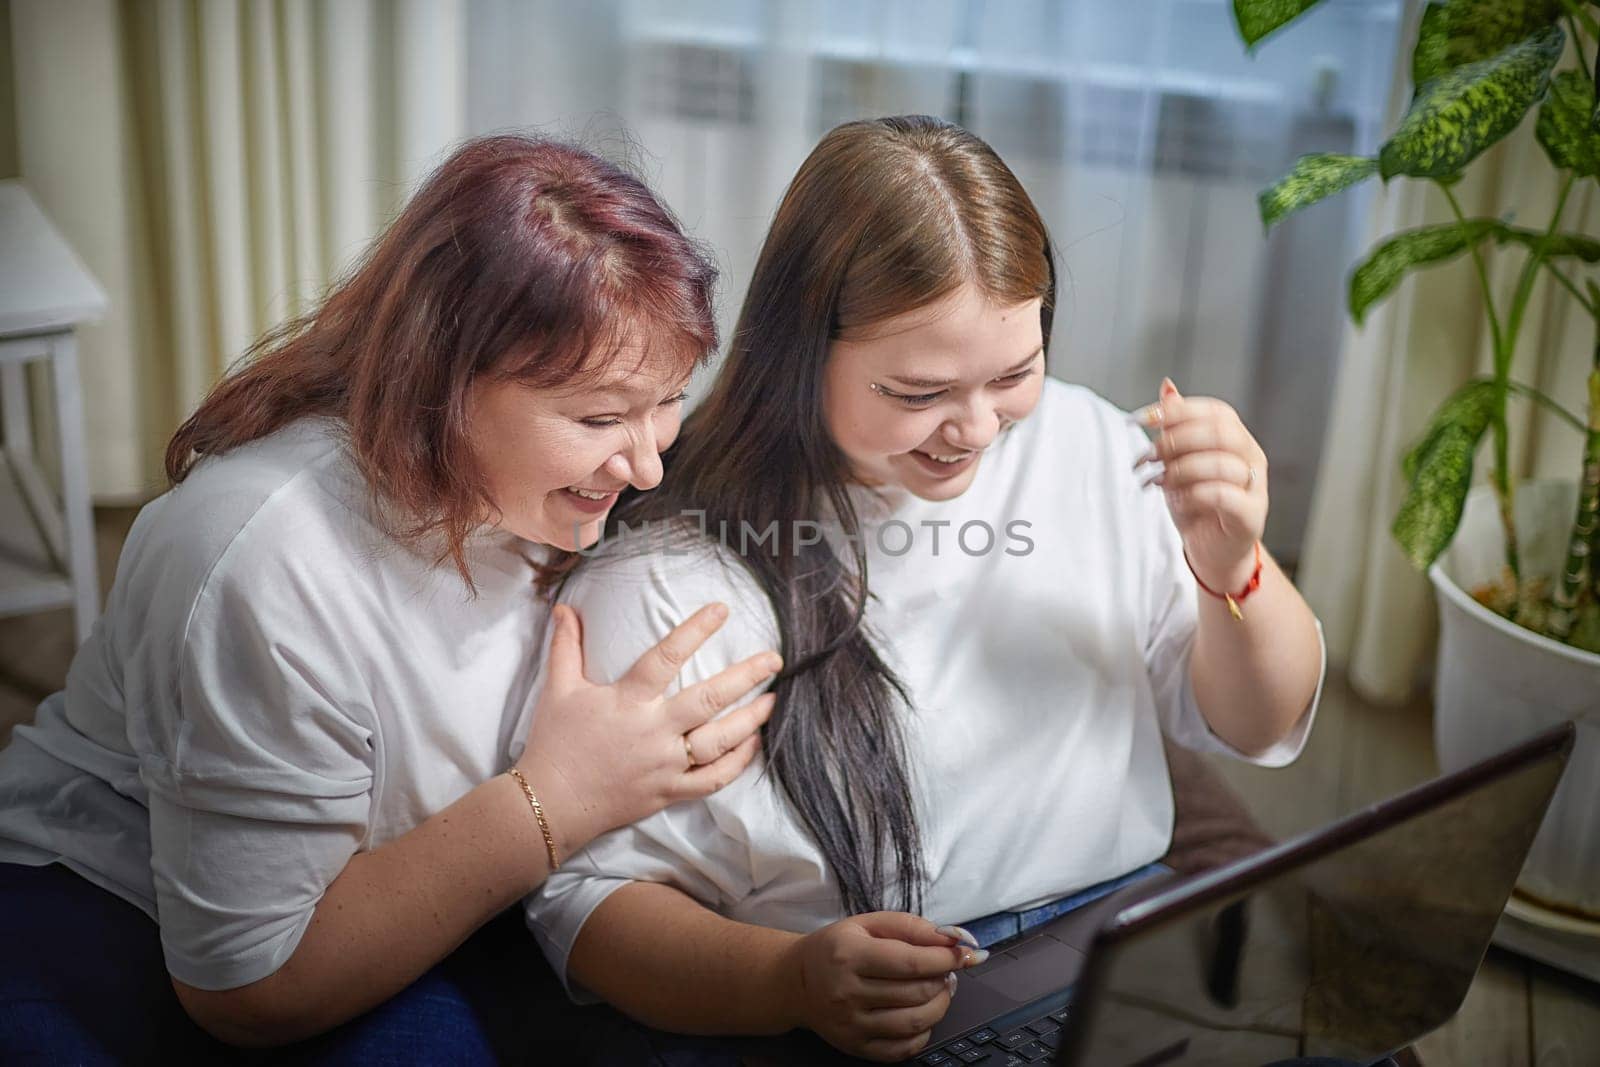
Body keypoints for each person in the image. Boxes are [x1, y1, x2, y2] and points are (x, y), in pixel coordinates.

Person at [524, 115, 1327, 1064]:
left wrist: (1232, 564)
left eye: (1015, 373)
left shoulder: (1091, 449)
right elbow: (585, 901)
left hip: (1126, 937)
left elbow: (1255, 722)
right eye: (919, 393)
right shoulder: (671, 579)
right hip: (871, 1014)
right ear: (802, 350)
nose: (978, 429)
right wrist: (786, 978)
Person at [0, 134, 783, 1064]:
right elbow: (246, 984)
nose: (649, 460)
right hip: (130, 913)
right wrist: (562, 794)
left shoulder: (555, 477)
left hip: (431, 871)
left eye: (669, 401)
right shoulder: (261, 558)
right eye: (601, 417)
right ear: (442, 378)